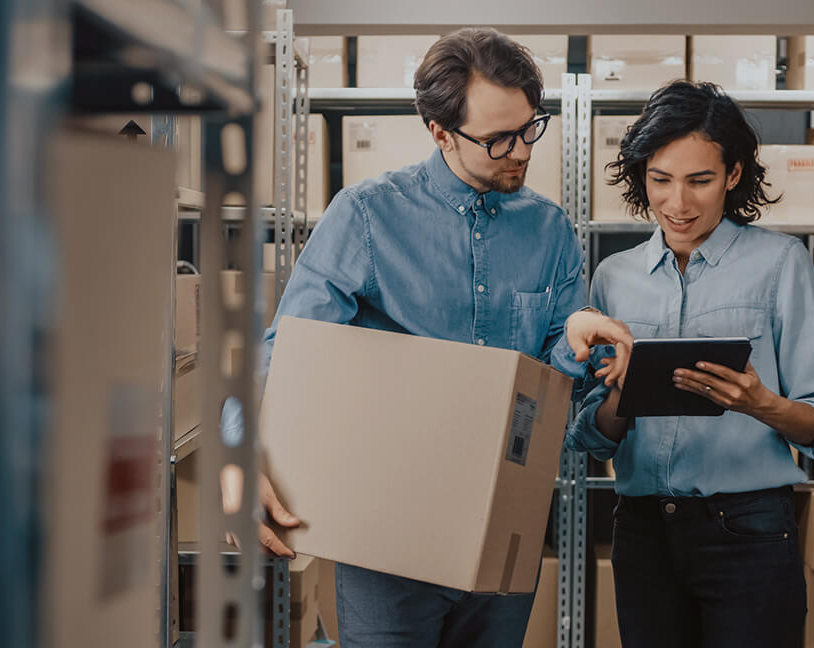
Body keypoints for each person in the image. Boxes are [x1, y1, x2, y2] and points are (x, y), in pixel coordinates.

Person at [248, 27, 634, 648]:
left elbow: (550, 389)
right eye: (497, 139)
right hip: (387, 534)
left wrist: (575, 342)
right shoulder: (368, 216)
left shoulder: (551, 231)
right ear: (439, 132)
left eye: (529, 128)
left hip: (504, 528)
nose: (521, 151)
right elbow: (286, 354)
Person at [567, 81, 814, 648]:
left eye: (700, 180)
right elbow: (593, 440)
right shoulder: (612, 278)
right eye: (661, 180)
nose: (678, 204)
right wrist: (622, 392)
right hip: (643, 532)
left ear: (734, 175)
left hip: (750, 530)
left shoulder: (781, 263)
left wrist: (760, 404)